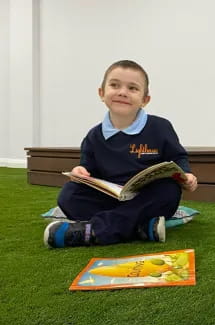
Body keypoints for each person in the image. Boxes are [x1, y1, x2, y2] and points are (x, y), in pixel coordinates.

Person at [44, 60, 197, 248]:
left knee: (169, 190)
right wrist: (80, 171)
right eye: (114, 85)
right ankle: (139, 227)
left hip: (147, 197)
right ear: (101, 93)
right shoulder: (93, 136)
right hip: (112, 198)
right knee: (68, 195)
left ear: (145, 99)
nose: (122, 92)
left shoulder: (161, 127)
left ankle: (96, 231)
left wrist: (187, 174)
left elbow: (178, 157)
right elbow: (87, 167)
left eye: (133, 88)